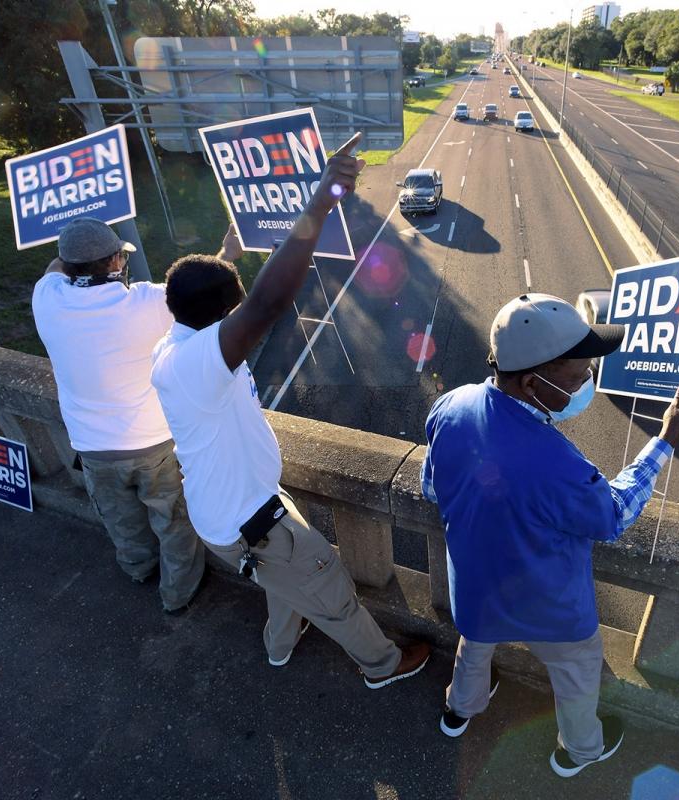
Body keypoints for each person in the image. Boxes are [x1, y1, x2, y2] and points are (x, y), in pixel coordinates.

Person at [150, 133, 430, 686]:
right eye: (234, 317)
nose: (241, 328)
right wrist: (322, 199)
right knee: (332, 592)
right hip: (254, 523)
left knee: (282, 583)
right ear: (223, 321)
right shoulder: (199, 362)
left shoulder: (175, 342)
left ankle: (279, 647)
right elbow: (268, 302)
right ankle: (382, 665)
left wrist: (224, 256)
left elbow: (201, 295)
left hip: (229, 517)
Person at [421, 293, 679, 777]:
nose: (588, 383)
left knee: (474, 646)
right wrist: (664, 441)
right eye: (578, 377)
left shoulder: (450, 406)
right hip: (549, 606)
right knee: (575, 677)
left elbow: (432, 485)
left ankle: (458, 711)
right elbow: (611, 517)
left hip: (475, 588)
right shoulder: (558, 465)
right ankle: (579, 749)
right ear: (533, 382)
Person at [32, 217, 208, 614]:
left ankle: (137, 569)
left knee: (121, 521)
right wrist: (227, 254)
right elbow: (201, 292)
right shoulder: (147, 302)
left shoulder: (47, 299)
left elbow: (53, 269)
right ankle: (178, 592)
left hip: (93, 449)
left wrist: (70, 251)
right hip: (155, 441)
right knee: (173, 521)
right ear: (116, 262)